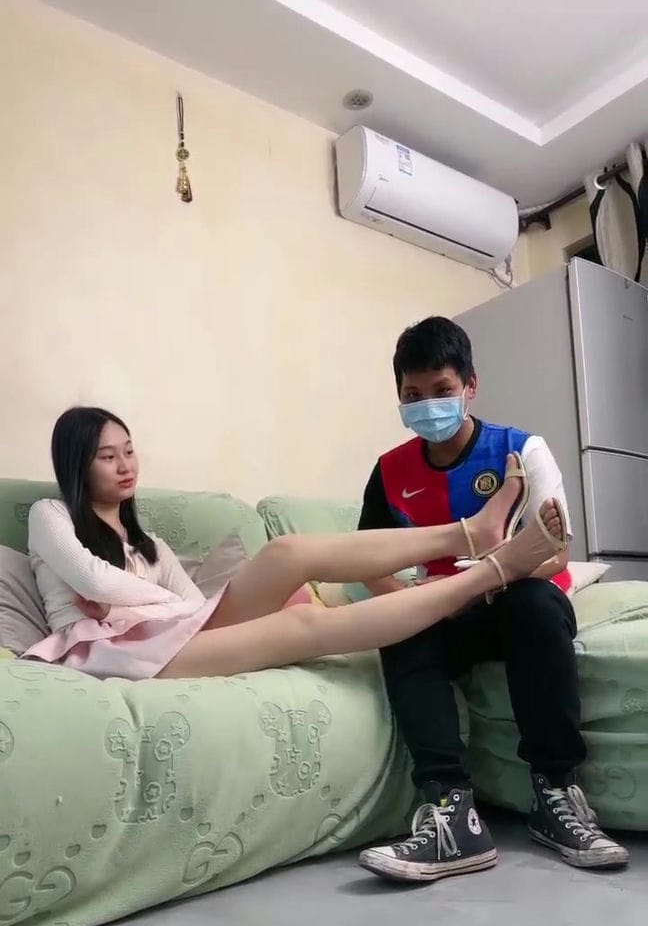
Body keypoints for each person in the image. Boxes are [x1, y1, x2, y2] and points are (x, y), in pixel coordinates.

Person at [25, 408, 567, 707]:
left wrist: (150, 604)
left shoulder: (151, 547)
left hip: (170, 632)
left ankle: (471, 533)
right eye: (107, 456)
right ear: (77, 464)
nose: (126, 465)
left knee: (287, 553)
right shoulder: (49, 514)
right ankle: (497, 569)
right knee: (304, 623)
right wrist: (147, 604)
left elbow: (189, 609)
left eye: (129, 451)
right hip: (108, 651)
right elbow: (93, 581)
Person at [356, 316, 628, 879]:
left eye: (442, 390)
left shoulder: (520, 450)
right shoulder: (388, 472)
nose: (427, 405)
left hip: (512, 599)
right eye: (413, 395)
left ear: (471, 385)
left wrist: (486, 580)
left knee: (536, 604)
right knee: (398, 627)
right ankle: (451, 813)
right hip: (440, 610)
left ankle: (556, 793)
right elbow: (367, 563)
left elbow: (555, 553)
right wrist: (409, 601)